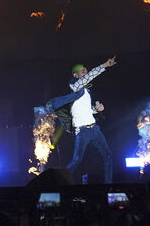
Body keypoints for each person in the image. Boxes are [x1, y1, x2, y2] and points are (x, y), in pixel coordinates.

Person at [46, 56, 118, 184]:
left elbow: (86, 110)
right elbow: (89, 77)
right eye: (83, 71)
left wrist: (96, 109)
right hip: (82, 131)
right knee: (76, 160)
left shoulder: (86, 91)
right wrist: (104, 65)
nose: (86, 72)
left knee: (108, 156)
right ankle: (58, 182)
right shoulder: (75, 85)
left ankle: (108, 185)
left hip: (94, 129)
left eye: (86, 70)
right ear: (76, 75)